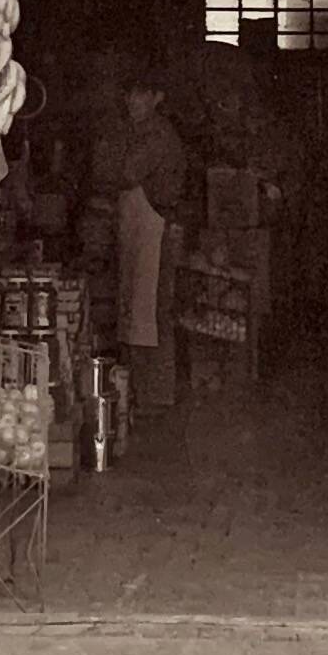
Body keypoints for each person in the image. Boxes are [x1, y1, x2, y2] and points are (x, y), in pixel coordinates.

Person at [93, 70, 192, 414]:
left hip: (156, 230)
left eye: (140, 94)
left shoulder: (157, 134)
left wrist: (109, 157)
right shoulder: (135, 132)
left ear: (157, 98)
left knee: (152, 313)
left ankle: (155, 396)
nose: (132, 101)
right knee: (137, 311)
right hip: (138, 230)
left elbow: (125, 172)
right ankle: (136, 393)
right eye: (129, 94)